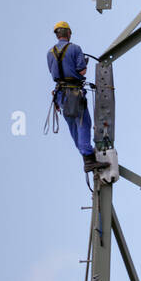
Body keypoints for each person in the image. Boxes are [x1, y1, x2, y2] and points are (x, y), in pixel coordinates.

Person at [46, 22, 102, 172]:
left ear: (57, 35)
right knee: (83, 123)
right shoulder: (75, 48)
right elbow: (82, 71)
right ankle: (89, 158)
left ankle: (85, 155)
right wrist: (83, 64)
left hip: (60, 95)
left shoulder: (50, 52)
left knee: (73, 126)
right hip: (74, 93)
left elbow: (54, 73)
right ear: (68, 33)